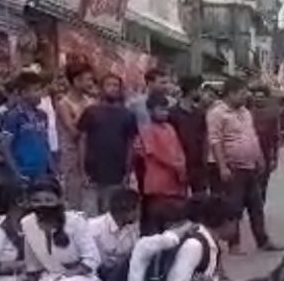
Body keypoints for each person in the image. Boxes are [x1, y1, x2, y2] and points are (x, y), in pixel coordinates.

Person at [14, 178, 104, 281]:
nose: (43, 205)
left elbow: (92, 259)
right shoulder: (27, 224)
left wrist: (63, 277)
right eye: (37, 201)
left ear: (59, 200)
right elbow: (32, 265)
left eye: (48, 200)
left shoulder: (75, 221)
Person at [208, 78, 277, 252]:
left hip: (250, 167)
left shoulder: (245, 112)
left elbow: (252, 136)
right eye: (242, 94)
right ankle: (234, 244)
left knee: (256, 205)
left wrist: (260, 158)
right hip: (232, 167)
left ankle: (263, 241)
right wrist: (222, 167)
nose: (246, 97)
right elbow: (215, 141)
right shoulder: (217, 113)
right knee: (234, 207)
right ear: (231, 93)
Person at [77, 72, 137, 215]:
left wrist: (127, 173)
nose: (113, 88)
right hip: (92, 174)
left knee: (109, 217)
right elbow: (82, 140)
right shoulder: (91, 112)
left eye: (116, 85)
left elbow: (130, 144)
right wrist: (82, 171)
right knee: (89, 217)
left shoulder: (127, 115)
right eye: (109, 85)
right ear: (101, 88)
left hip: (116, 174)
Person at [135, 93, 188, 235]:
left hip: (174, 183)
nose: (164, 113)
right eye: (160, 110)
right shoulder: (148, 130)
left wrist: (182, 167)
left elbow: (179, 149)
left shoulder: (170, 128)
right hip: (157, 184)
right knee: (156, 224)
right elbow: (154, 154)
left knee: (173, 223)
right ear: (150, 111)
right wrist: (175, 165)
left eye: (166, 110)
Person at [0, 71, 55, 183]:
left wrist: (51, 168)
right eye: (36, 90)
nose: (40, 94)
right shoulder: (14, 116)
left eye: (41, 89)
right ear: (24, 93)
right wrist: (16, 173)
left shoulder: (42, 115)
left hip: (41, 172)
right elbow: (5, 147)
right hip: (23, 172)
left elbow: (45, 143)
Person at [56, 61, 95, 209]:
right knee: (73, 203)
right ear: (76, 80)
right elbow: (73, 132)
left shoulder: (90, 102)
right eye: (88, 79)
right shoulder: (63, 104)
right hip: (70, 159)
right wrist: (85, 114)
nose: (91, 83)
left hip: (88, 158)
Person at [88, 187, 140, 280]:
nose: (139, 213)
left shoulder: (135, 229)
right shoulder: (94, 229)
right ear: (125, 211)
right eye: (136, 209)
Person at [171, 76, 210, 195]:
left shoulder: (199, 113)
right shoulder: (172, 114)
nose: (201, 93)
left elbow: (205, 138)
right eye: (199, 89)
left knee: (201, 199)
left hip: (198, 165)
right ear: (192, 90)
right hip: (179, 163)